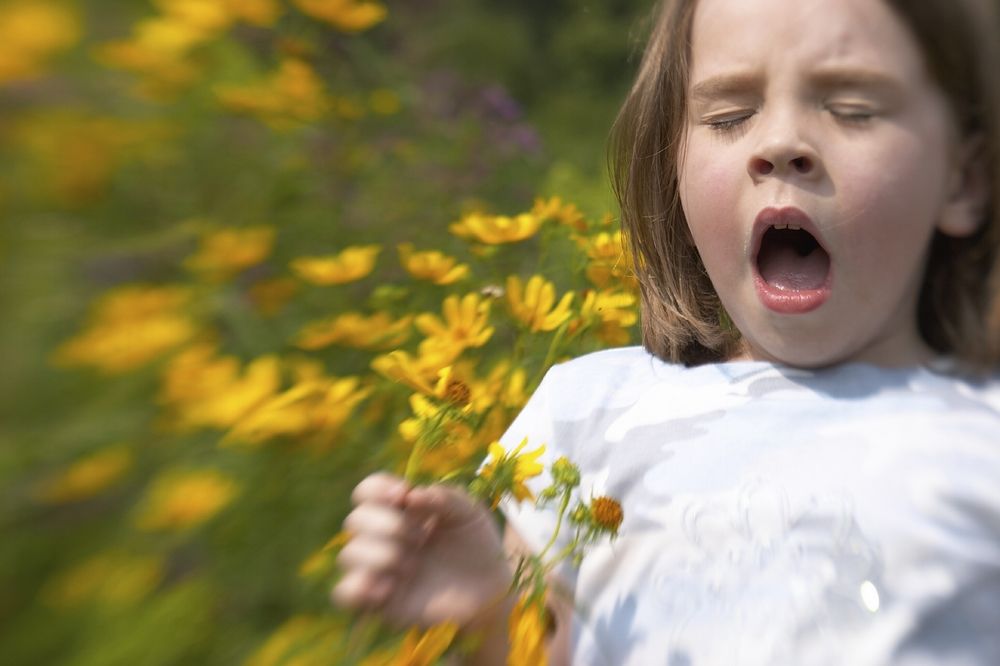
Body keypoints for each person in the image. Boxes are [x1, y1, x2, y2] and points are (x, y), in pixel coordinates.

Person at [333, 0, 1000, 662]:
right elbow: (544, 650)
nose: (779, 145)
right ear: (672, 165)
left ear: (963, 178)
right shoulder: (593, 411)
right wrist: (486, 612)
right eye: (729, 116)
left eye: (853, 109)